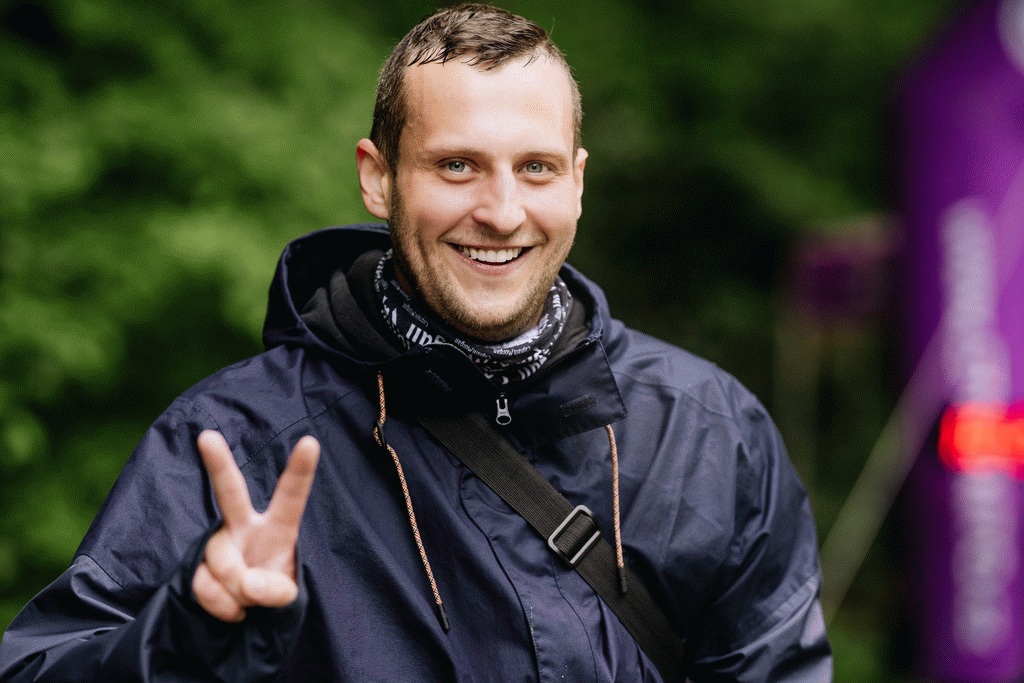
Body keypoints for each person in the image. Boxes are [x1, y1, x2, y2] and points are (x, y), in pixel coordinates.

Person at [0, 4, 831, 681]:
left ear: (578, 181)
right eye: (457, 166)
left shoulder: (711, 431)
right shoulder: (243, 442)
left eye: (536, 168)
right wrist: (189, 635)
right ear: (378, 176)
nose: (502, 211)